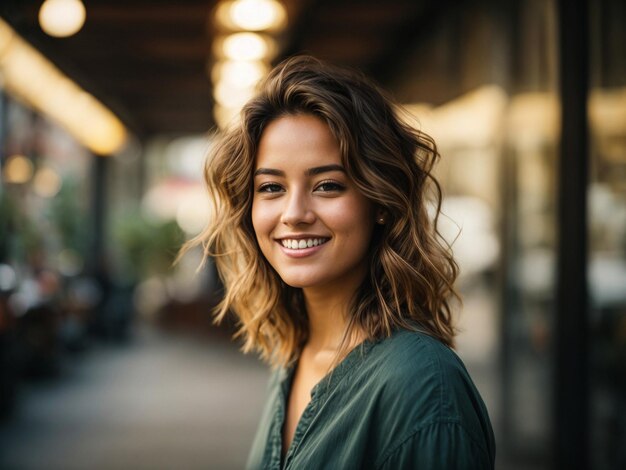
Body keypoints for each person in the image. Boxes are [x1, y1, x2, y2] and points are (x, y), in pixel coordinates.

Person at [189, 55, 495, 469]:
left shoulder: (422, 386)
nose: (294, 213)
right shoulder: (293, 356)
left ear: (381, 202)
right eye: (272, 187)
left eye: (328, 185)